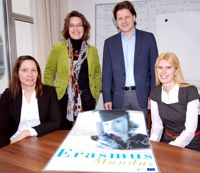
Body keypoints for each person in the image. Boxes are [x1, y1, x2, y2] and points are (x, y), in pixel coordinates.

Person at [44, 11, 102, 130]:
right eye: (72, 25)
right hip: (62, 99)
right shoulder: (58, 48)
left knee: (85, 132)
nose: (76, 28)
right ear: (67, 28)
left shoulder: (92, 50)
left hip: (87, 98)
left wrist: (94, 95)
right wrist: (52, 96)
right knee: (62, 134)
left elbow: (97, 74)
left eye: (79, 25)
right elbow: (48, 73)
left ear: (84, 28)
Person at [102, 1, 158, 122]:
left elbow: (154, 70)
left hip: (142, 96)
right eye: (120, 18)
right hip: (118, 97)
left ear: (134, 16)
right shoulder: (109, 43)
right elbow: (106, 73)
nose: (124, 21)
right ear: (116, 21)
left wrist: (152, 96)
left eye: (127, 17)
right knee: (119, 133)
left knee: (140, 135)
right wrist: (107, 98)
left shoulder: (148, 38)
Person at [0, 56, 61, 148]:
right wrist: (6, 148)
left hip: (42, 140)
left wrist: (27, 132)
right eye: (24, 70)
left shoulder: (49, 92)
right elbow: (2, 130)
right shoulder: (8, 95)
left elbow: (56, 121)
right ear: (17, 73)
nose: (30, 75)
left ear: (38, 73)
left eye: (33, 70)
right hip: (14, 142)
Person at [149, 52, 200, 152]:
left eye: (168, 68)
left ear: (176, 70)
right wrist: (152, 145)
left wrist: (172, 147)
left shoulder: (190, 91)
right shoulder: (155, 92)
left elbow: (189, 130)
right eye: (160, 67)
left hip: (191, 142)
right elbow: (157, 125)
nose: (163, 72)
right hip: (168, 140)